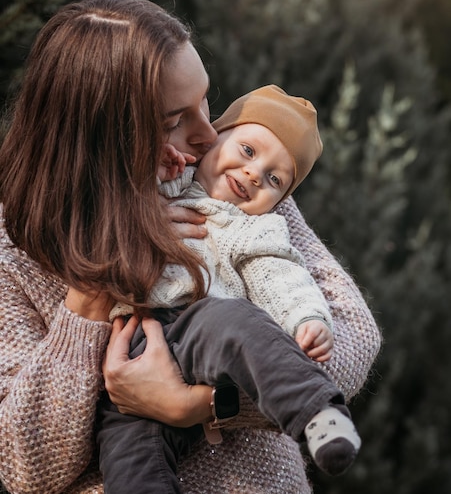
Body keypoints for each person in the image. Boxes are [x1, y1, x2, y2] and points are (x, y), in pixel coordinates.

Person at [0, 0, 381, 494]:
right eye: (172, 121)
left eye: (204, 99)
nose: (209, 133)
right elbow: (27, 468)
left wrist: (200, 404)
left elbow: (350, 337)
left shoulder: (236, 187)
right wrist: (94, 288)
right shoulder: (13, 253)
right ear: (101, 137)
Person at [97, 84, 361, 494]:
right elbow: (112, 190)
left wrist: (307, 318)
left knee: (240, 323)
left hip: (200, 329)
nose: (254, 174)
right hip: (130, 359)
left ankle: (318, 413)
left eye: (274, 178)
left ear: (278, 200)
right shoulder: (165, 178)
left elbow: (281, 274)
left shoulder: (253, 226)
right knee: (128, 460)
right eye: (248, 151)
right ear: (214, 136)